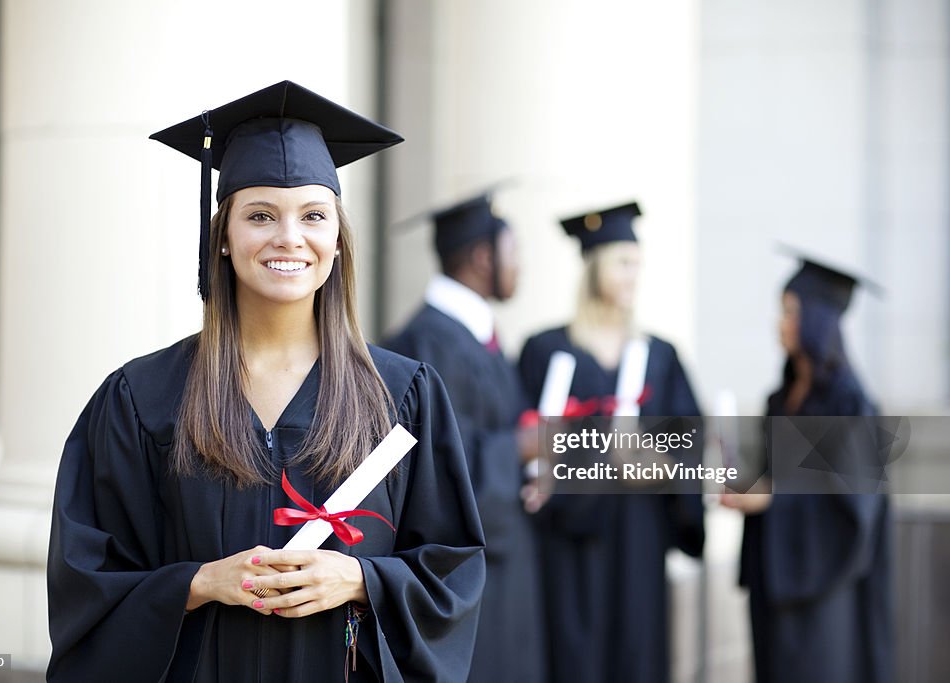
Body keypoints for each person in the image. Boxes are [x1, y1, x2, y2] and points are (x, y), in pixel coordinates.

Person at [46, 80, 486, 682]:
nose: (288, 238)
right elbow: (87, 585)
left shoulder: (401, 396)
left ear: (336, 241)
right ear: (224, 237)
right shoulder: (141, 399)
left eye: (312, 216)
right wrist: (200, 583)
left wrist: (359, 579)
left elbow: (452, 568)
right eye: (260, 216)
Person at [517, 201, 704, 683]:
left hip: (639, 534)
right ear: (595, 265)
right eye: (623, 262)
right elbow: (521, 441)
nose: (632, 276)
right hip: (569, 539)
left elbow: (691, 441)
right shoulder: (545, 350)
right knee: (571, 656)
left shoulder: (660, 356)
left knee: (637, 652)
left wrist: (657, 463)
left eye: (637, 265)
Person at [384, 190, 545, 683]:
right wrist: (520, 448)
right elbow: (441, 472)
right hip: (464, 576)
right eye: (513, 252)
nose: (520, 266)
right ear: (482, 257)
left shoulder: (475, 336)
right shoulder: (432, 343)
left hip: (502, 561)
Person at [721, 254, 893, 683]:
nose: (779, 323)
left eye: (790, 311)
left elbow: (855, 505)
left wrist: (773, 496)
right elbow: (771, 479)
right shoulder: (779, 400)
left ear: (818, 319)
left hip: (825, 587)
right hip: (775, 580)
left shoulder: (849, 403)